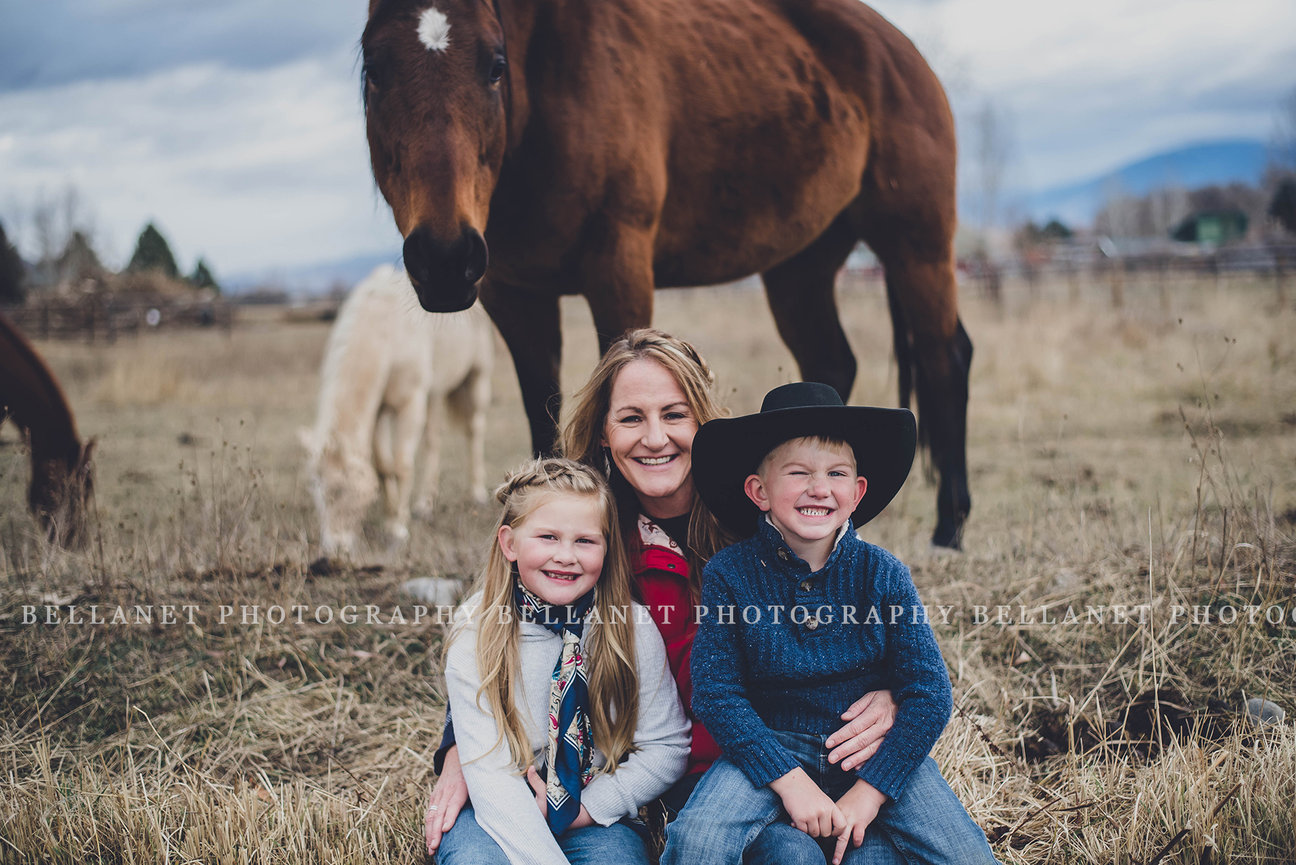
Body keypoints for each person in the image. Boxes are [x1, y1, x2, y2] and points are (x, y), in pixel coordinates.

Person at [427, 330, 900, 861]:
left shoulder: (770, 519)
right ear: (604, 432)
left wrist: (889, 692)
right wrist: (460, 749)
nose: (655, 438)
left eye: (675, 415)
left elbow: (863, 610)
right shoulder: (588, 538)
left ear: (703, 424)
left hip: (800, 753)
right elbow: (504, 627)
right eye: (631, 418)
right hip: (694, 781)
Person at [660, 382, 1000, 865]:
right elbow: (716, 692)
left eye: (836, 474)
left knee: (966, 856)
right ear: (759, 491)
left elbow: (929, 692)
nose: (819, 488)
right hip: (772, 745)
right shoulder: (730, 576)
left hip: (871, 750)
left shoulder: (882, 575)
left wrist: (873, 790)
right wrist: (788, 781)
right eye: (798, 473)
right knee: (698, 840)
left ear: (857, 492)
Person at [435, 457, 691, 865]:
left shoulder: (631, 627)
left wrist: (586, 809)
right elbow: (488, 769)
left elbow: (667, 746)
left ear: (607, 549)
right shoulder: (476, 630)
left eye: (585, 541)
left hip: (591, 809)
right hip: (494, 806)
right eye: (548, 537)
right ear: (510, 543)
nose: (566, 556)